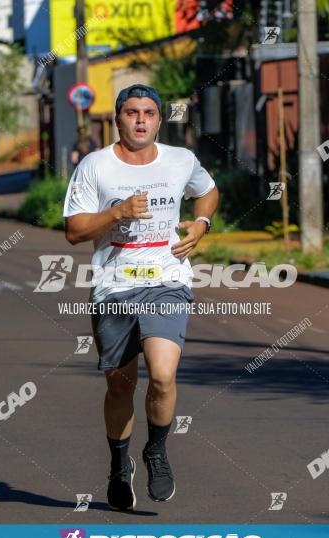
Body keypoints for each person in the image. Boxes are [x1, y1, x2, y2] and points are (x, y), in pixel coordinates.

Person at [63, 84, 219, 511]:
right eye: (131, 112)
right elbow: (75, 231)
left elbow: (208, 190)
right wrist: (116, 212)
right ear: (117, 119)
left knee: (164, 375)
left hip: (167, 279)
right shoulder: (95, 167)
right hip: (114, 284)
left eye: (149, 112)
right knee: (120, 385)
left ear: (158, 118)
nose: (141, 120)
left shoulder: (180, 160)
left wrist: (201, 223)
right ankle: (118, 464)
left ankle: (156, 449)